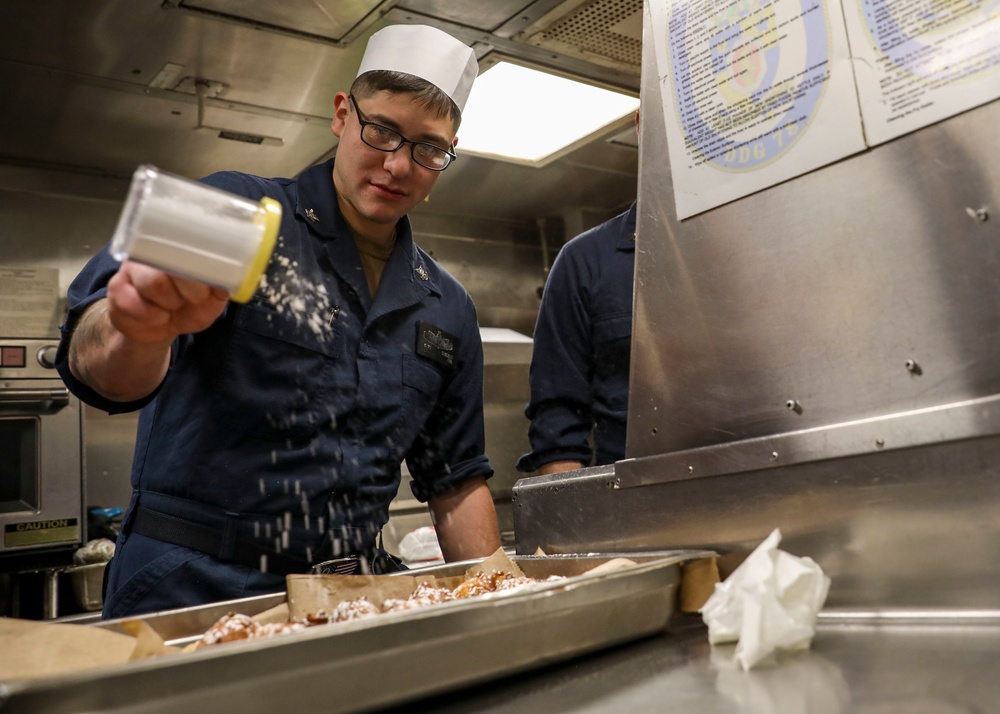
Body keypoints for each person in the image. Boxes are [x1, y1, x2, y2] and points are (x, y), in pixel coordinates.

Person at [55, 24, 501, 618]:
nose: (399, 165)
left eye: (429, 148)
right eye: (383, 130)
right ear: (342, 114)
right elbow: (97, 367)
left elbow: (454, 483)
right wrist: (136, 328)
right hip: (191, 587)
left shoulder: (446, 304)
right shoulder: (234, 210)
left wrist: (505, 600)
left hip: (346, 601)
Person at [517, 111, 639, 475]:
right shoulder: (584, 261)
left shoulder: (753, 243)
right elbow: (558, 423)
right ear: (640, 124)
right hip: (632, 508)